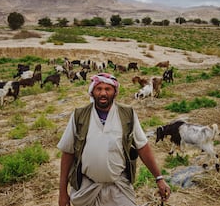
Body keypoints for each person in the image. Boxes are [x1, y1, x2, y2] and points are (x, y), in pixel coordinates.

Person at [58, 73, 171, 206]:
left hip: (118, 187)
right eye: (99, 89)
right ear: (92, 92)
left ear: (115, 92)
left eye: (108, 89)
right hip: (87, 188)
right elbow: (68, 153)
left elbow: (143, 147)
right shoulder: (79, 115)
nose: (103, 93)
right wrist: (62, 192)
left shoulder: (127, 115)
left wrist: (159, 178)